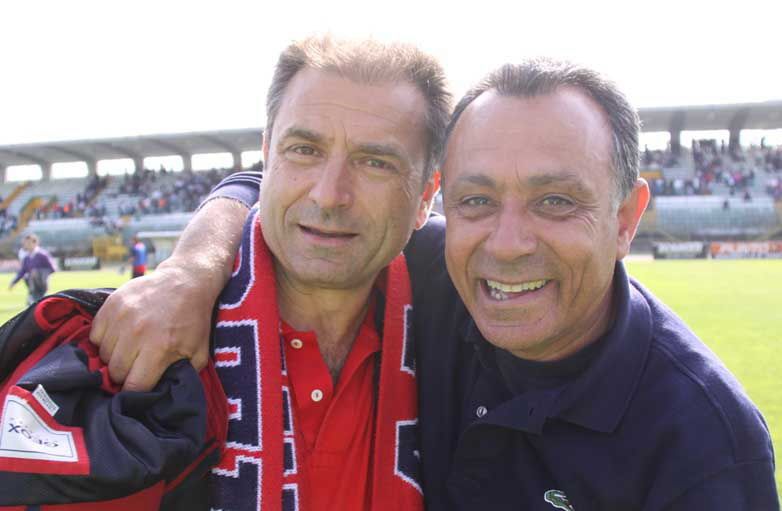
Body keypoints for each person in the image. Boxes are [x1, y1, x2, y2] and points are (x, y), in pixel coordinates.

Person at [91, 59, 778, 509]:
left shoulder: (704, 440)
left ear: (626, 219)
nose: (506, 244)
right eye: (476, 200)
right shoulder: (434, 269)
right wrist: (193, 267)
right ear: (437, 203)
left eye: (555, 201)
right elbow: (271, 187)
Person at [95, 35, 449, 511]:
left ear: (426, 195)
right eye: (304, 150)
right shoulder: (147, 345)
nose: (329, 194)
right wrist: (192, 267)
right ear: (268, 156)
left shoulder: (460, 321)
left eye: (375, 162)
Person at [9, 234, 56, 304]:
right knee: (32, 304)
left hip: (41, 285)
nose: (26, 245)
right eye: (25, 243)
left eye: (28, 243)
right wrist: (14, 282)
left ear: (35, 243)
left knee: (39, 303)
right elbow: (22, 271)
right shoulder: (27, 258)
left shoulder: (42, 255)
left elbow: (52, 268)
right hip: (31, 284)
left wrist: (39, 273)